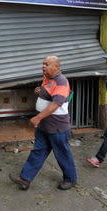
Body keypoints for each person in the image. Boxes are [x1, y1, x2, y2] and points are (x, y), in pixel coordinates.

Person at [9, 56, 77, 191]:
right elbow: (47, 92)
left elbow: (55, 104)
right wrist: (40, 91)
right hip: (44, 126)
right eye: (43, 64)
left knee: (62, 153)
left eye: (46, 64)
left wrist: (37, 117)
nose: (43, 67)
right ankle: (25, 179)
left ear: (56, 67)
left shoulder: (62, 82)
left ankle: (70, 179)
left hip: (57, 126)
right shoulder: (47, 78)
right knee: (38, 151)